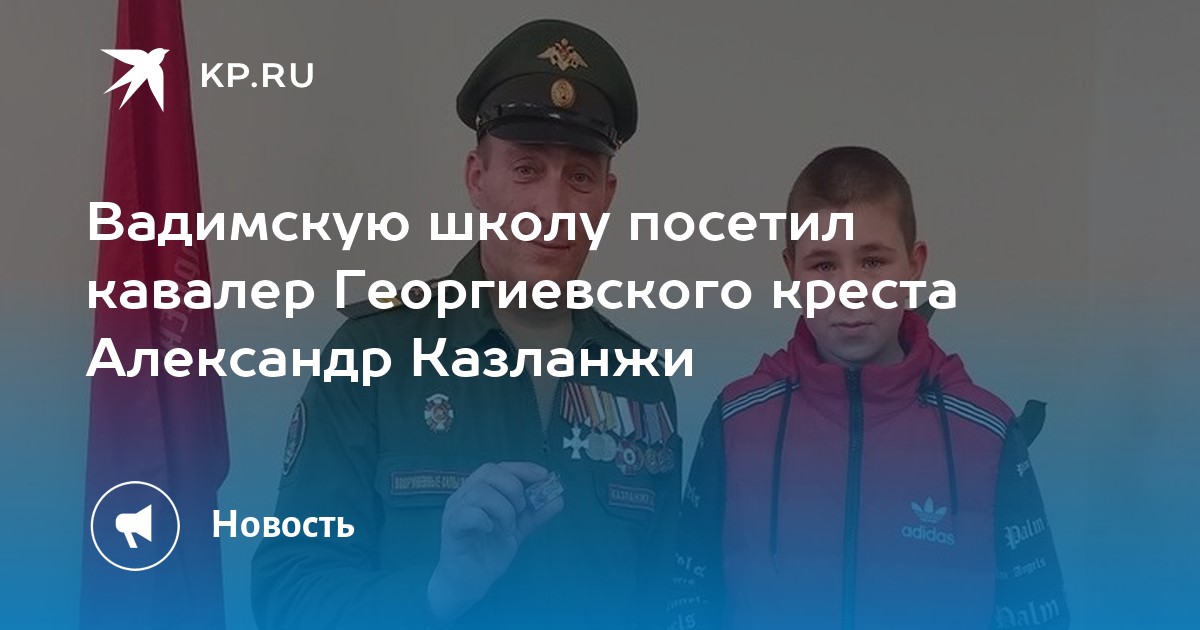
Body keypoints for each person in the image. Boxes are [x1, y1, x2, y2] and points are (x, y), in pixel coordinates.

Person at [252, 19, 680, 630]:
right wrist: (438, 590)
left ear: (606, 196)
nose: (553, 208)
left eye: (580, 177)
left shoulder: (641, 383)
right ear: (478, 179)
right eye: (527, 170)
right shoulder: (374, 357)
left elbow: (662, 604)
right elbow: (288, 597)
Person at [668, 147, 1068, 629]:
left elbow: (1038, 614)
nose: (850, 289)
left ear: (914, 264)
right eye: (823, 266)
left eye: (873, 261)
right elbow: (685, 600)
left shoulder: (989, 432)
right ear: (791, 270)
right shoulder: (736, 420)